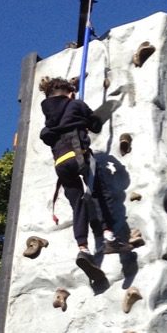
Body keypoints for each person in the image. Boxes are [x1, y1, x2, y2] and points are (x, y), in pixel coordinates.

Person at [38, 76, 118, 270]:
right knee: (99, 193)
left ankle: (83, 248)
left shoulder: (49, 116)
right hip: (79, 155)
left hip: (61, 163)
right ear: (70, 94)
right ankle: (109, 237)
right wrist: (85, 114)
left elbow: (47, 136)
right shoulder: (76, 105)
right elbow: (95, 126)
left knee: (78, 204)